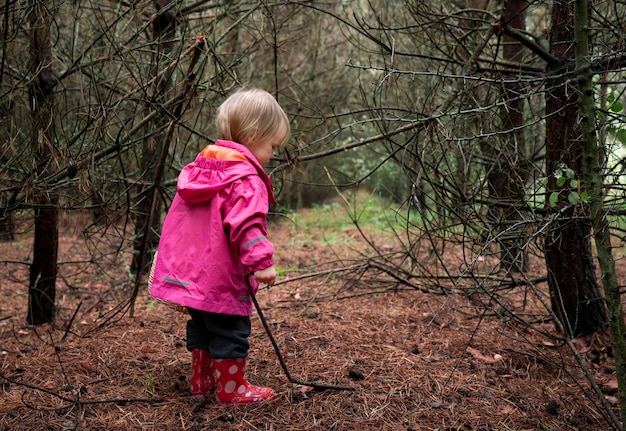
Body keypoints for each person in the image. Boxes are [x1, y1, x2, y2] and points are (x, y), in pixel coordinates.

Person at [150, 88, 290, 405]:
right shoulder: (245, 178)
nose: (272, 153)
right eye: (272, 145)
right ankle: (231, 388)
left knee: (200, 322)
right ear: (255, 135)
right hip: (220, 273)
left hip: (192, 271)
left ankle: (202, 379)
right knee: (231, 327)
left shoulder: (201, 169)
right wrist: (261, 263)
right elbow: (246, 225)